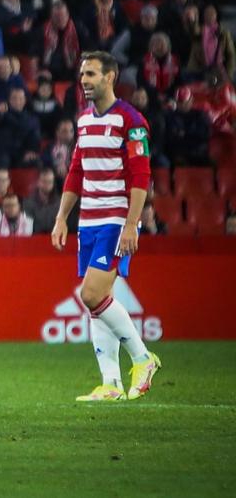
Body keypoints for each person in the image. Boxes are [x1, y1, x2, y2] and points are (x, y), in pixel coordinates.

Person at [50, 51, 161, 403]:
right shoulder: (83, 121)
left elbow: (141, 176)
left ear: (110, 77)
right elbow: (76, 172)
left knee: (91, 295)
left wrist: (132, 224)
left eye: (92, 74)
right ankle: (111, 382)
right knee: (98, 301)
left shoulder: (131, 120)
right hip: (89, 221)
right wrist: (61, 218)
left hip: (116, 219)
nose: (84, 80)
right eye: (83, 74)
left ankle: (143, 359)